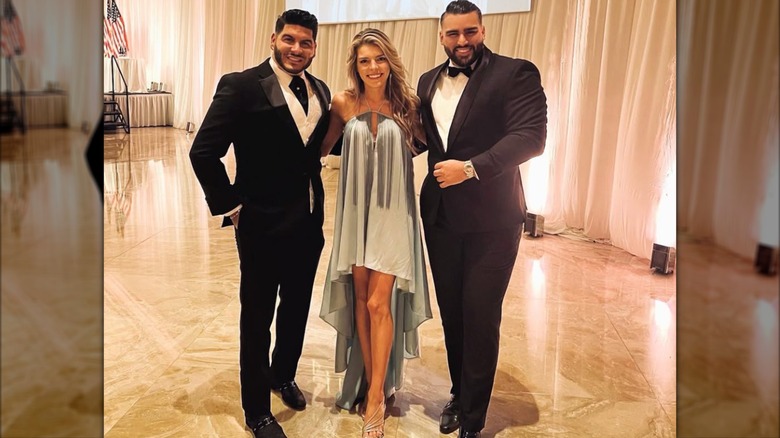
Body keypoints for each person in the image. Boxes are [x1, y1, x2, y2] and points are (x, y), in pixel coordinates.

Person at [189, 9, 330, 438]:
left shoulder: (320, 89)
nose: (297, 49)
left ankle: (282, 374)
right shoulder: (241, 85)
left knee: (296, 308)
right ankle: (256, 410)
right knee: (257, 317)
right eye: (289, 40)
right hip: (261, 225)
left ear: (314, 47)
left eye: (306, 43)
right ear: (274, 39)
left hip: (308, 221)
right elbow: (203, 152)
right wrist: (231, 206)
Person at [415, 1, 548, 437]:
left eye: (469, 32)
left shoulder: (516, 73)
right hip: (440, 217)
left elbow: (530, 138)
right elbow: (423, 140)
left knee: (480, 312)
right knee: (453, 313)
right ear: (441, 37)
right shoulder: (427, 81)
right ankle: (459, 393)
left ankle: (474, 418)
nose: (462, 42)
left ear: (483, 30)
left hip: (493, 219)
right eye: (453, 34)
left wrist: (470, 168)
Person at [318, 28, 432, 438]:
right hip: (355, 214)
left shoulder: (408, 107)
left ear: (390, 61)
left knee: (380, 303)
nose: (372, 67)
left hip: (392, 215)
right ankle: (370, 382)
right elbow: (317, 149)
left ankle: (376, 397)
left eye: (379, 58)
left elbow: (434, 145)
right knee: (363, 300)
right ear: (356, 65)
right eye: (364, 60)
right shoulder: (343, 103)